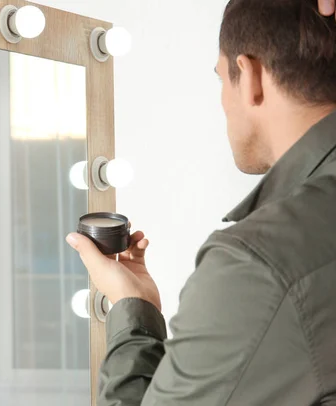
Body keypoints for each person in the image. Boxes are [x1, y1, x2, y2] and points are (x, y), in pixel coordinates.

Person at [66, 0, 336, 404]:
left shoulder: (256, 264)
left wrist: (131, 310)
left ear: (249, 76)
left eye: (220, 80)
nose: (223, 102)